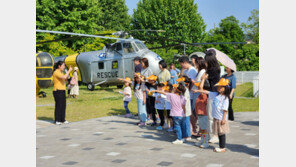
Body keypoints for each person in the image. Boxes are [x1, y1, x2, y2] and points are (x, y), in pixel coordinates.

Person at [194, 78, 230, 153]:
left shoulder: (225, 98)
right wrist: (198, 90)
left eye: (220, 87)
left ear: (225, 88)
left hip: (220, 118)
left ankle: (222, 147)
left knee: (221, 133)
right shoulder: (216, 95)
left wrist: (224, 119)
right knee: (219, 133)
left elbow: (225, 110)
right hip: (216, 117)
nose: (218, 88)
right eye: (218, 87)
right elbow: (206, 92)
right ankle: (221, 146)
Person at [178, 56, 198, 136]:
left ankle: (193, 129)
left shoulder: (192, 70)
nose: (181, 66)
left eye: (181, 65)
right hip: (188, 93)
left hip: (191, 94)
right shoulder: (187, 70)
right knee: (189, 112)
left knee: (191, 113)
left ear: (185, 62)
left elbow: (191, 82)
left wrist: (187, 91)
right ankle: (191, 128)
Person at [204, 49, 221, 143]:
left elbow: (206, 81)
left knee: (211, 116)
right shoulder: (214, 69)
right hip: (213, 93)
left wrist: (205, 77)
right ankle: (213, 134)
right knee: (211, 116)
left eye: (206, 60)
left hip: (213, 94)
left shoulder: (213, 70)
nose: (205, 62)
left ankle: (214, 135)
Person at [193, 82, 209, 148]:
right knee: (202, 129)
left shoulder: (204, 94)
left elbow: (202, 90)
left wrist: (203, 79)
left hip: (203, 114)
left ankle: (205, 142)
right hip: (200, 114)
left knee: (204, 129)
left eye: (199, 87)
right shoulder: (200, 95)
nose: (197, 88)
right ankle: (202, 140)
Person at [180, 76, 193, 141]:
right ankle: (185, 134)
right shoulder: (183, 89)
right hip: (183, 109)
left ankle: (187, 135)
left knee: (186, 122)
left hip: (186, 109)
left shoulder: (185, 90)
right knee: (184, 122)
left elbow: (184, 100)